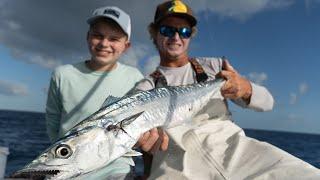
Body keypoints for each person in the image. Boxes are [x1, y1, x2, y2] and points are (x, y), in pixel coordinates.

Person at [134, 0, 320, 179]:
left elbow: (268, 102)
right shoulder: (144, 88)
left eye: (184, 31)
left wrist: (245, 88)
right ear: (154, 33)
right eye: (167, 30)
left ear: (191, 35)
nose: (176, 37)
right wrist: (139, 141)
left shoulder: (215, 67)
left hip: (239, 154)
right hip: (176, 167)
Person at [45, 6, 144, 179]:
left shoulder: (135, 77)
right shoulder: (62, 74)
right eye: (98, 35)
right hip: (71, 165)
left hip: (116, 166)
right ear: (88, 37)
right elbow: (53, 121)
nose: (104, 44)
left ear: (126, 46)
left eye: (114, 38)